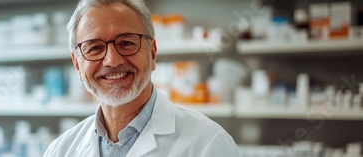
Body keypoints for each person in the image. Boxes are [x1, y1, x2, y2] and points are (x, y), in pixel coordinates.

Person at [44, 0, 241, 156]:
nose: (112, 61)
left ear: (152, 53)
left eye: (126, 43)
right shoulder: (60, 150)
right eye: (95, 48)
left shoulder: (207, 143)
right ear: (78, 64)